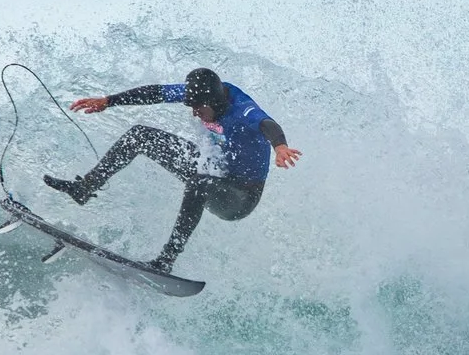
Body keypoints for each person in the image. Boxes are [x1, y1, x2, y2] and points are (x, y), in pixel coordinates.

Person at [46, 67, 302, 270]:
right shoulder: (204, 92)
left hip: (240, 197)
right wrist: (109, 101)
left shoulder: (243, 110)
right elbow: (155, 93)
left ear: (213, 102)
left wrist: (280, 147)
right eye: (192, 107)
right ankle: (85, 188)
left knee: (200, 183)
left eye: (198, 108)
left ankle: (166, 260)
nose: (195, 113)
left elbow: (267, 124)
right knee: (140, 135)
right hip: (214, 169)